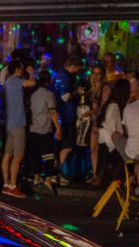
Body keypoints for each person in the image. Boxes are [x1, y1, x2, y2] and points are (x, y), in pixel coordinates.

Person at [1, 60, 36, 197]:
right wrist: (31, 72)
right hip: (18, 123)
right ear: (17, 69)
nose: (22, 71)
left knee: (7, 154)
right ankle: (13, 186)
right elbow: (32, 83)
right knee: (18, 156)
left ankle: (5, 184)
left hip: (9, 123)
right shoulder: (16, 80)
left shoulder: (8, 81)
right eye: (21, 69)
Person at [53, 55, 85, 184]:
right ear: (72, 66)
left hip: (64, 115)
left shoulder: (60, 75)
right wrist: (77, 92)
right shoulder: (65, 77)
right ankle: (57, 172)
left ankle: (56, 172)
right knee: (68, 145)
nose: (77, 72)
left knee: (64, 146)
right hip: (67, 115)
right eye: (77, 69)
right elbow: (65, 97)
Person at [29, 70, 61, 195]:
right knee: (49, 156)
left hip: (33, 128)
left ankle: (36, 178)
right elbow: (52, 112)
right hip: (44, 129)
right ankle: (48, 181)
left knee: (36, 155)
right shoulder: (49, 94)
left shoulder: (34, 94)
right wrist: (58, 127)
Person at [97, 79, 131, 182]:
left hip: (110, 144)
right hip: (111, 145)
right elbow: (111, 129)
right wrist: (114, 147)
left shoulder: (114, 105)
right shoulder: (114, 106)